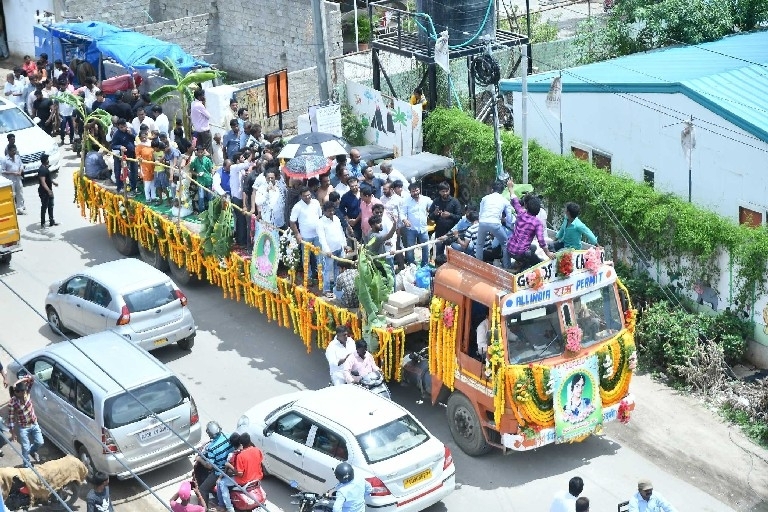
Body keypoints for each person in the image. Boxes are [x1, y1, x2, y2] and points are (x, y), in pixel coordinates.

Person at [507, 178, 555, 269]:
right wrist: (548, 253)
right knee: (537, 261)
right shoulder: (537, 223)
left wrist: (510, 188)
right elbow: (541, 241)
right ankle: (523, 269)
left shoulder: (521, 213)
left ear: (526, 206)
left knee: (532, 248)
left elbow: (515, 200)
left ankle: (519, 264)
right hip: (520, 253)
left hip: (510, 249)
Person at [195, 421, 235, 509]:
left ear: (209, 434)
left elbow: (209, 466)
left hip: (219, 472)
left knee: (202, 489)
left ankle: (203, 509)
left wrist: (200, 459)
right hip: (231, 468)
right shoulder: (228, 436)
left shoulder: (212, 448)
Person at [219, 432, 263, 512]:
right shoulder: (257, 450)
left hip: (244, 480)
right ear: (250, 441)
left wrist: (229, 465)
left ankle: (229, 508)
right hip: (257, 477)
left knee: (222, 483)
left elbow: (239, 473)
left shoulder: (240, 456)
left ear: (241, 443)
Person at [8, 376, 44, 465]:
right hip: (24, 427)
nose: (24, 394)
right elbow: (11, 419)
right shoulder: (12, 403)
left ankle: (32, 451)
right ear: (17, 393)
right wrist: (13, 434)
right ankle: (26, 465)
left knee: (40, 442)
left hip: (34, 423)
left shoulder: (26, 391)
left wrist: (18, 382)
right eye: (22, 392)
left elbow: (31, 378)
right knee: (25, 447)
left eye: (24, 391)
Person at [290, 186, 323, 282]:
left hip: (317, 235)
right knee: (306, 259)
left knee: (319, 257)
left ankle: (319, 276)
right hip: (305, 237)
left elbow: (320, 217)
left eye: (309, 195)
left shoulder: (316, 202)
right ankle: (307, 278)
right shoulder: (297, 206)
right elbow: (292, 222)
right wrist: (297, 234)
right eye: (305, 196)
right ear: (301, 196)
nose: (308, 197)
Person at [317, 202, 348, 299]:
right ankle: (326, 290)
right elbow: (321, 238)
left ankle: (336, 287)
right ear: (324, 211)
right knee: (327, 270)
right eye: (329, 211)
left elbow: (341, 233)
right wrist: (327, 250)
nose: (331, 212)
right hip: (329, 251)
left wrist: (344, 245)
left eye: (332, 210)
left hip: (339, 248)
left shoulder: (336, 219)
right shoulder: (320, 222)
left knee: (337, 269)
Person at [402, 183, 432, 266]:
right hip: (411, 229)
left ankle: (425, 264)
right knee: (410, 248)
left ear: (419, 190)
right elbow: (402, 213)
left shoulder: (426, 199)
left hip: (423, 229)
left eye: (417, 190)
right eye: (413, 191)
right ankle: (411, 263)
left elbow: (433, 207)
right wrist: (405, 220)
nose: (415, 192)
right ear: (410, 192)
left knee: (425, 247)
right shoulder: (406, 201)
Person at [428, 182, 462, 256]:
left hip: (452, 233)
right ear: (439, 192)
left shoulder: (455, 202)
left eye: (447, 191)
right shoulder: (436, 201)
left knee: (452, 255)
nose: (445, 193)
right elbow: (430, 216)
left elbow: (459, 217)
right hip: (440, 232)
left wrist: (450, 215)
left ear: (449, 190)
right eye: (443, 191)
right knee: (439, 254)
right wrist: (435, 213)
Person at [110, 118, 137, 194]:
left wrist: (131, 134)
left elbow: (137, 138)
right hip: (121, 156)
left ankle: (133, 187)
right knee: (118, 171)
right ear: (118, 126)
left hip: (132, 154)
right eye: (121, 127)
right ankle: (120, 187)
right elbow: (113, 145)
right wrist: (120, 147)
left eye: (124, 126)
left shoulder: (130, 130)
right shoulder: (116, 134)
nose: (124, 128)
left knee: (134, 171)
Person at [1, 144, 25, 214]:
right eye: (12, 151)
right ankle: (12, 208)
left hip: (18, 178)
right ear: (8, 151)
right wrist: (13, 173)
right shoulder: (5, 160)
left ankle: (20, 208)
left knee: (20, 193)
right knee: (12, 194)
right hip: (11, 180)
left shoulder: (17, 157)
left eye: (15, 150)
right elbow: (3, 171)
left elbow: (21, 165)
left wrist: (20, 171)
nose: (14, 152)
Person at [190, 146, 214, 213]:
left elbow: (211, 170)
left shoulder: (207, 160)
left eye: (202, 152)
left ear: (204, 152)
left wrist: (212, 176)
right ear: (196, 152)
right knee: (201, 197)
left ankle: (211, 211)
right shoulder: (194, 160)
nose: (200, 153)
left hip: (208, 180)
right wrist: (197, 174)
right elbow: (191, 170)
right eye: (199, 152)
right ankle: (202, 212)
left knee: (210, 197)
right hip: (200, 181)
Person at [37, 154, 58, 229]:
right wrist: (48, 191)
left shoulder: (45, 168)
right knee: (44, 207)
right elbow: (43, 182)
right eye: (47, 159)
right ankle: (43, 223)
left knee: (51, 206)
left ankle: (52, 221)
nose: (48, 160)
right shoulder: (42, 170)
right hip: (44, 192)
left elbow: (47, 179)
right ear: (45, 160)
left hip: (49, 190)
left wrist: (53, 182)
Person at [191, 88, 212, 152]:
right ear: (200, 97)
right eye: (203, 95)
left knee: (201, 150)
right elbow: (208, 116)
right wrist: (204, 103)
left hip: (198, 131)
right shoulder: (199, 105)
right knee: (208, 150)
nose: (204, 96)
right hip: (204, 131)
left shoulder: (193, 103)